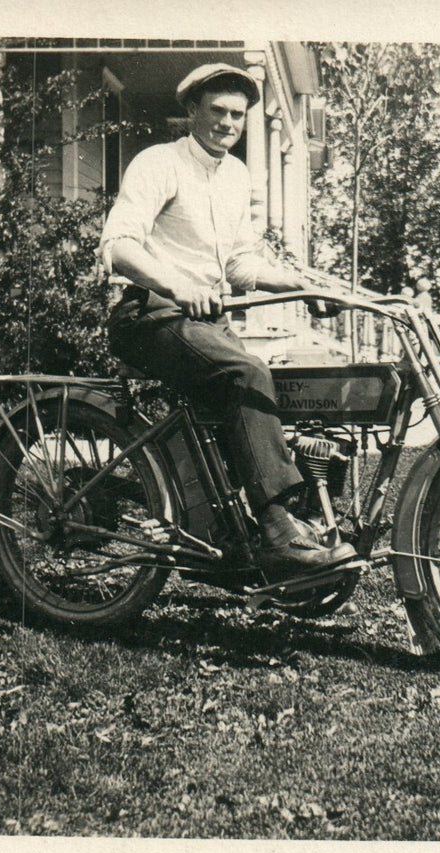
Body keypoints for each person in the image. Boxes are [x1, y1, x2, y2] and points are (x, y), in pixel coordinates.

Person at [98, 63, 355, 579]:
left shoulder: (236, 175)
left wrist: (305, 288)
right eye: (217, 110)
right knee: (246, 373)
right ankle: (277, 529)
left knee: (275, 389)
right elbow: (118, 245)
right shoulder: (160, 163)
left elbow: (240, 264)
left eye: (237, 114)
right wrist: (177, 284)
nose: (227, 122)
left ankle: (253, 531)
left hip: (202, 325)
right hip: (147, 314)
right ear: (192, 110)